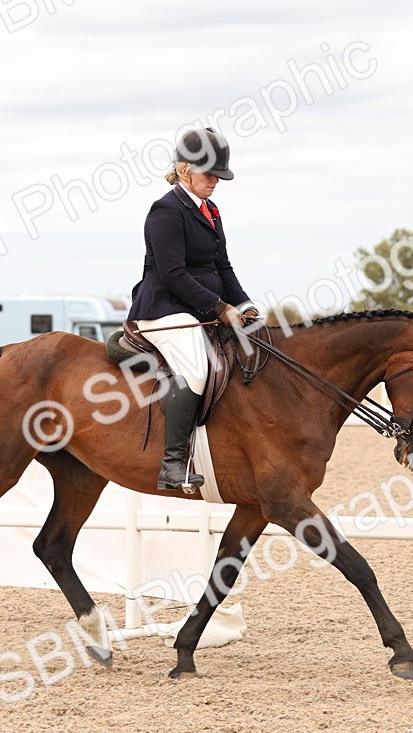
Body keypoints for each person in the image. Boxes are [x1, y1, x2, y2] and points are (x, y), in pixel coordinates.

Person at [127, 127, 260, 491]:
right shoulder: (166, 211)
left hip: (198, 310)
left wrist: (245, 305)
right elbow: (173, 274)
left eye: (219, 175)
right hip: (163, 310)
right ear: (185, 169)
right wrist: (219, 307)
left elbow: (223, 267)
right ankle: (172, 464)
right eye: (209, 174)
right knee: (197, 371)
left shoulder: (211, 210)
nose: (215, 181)